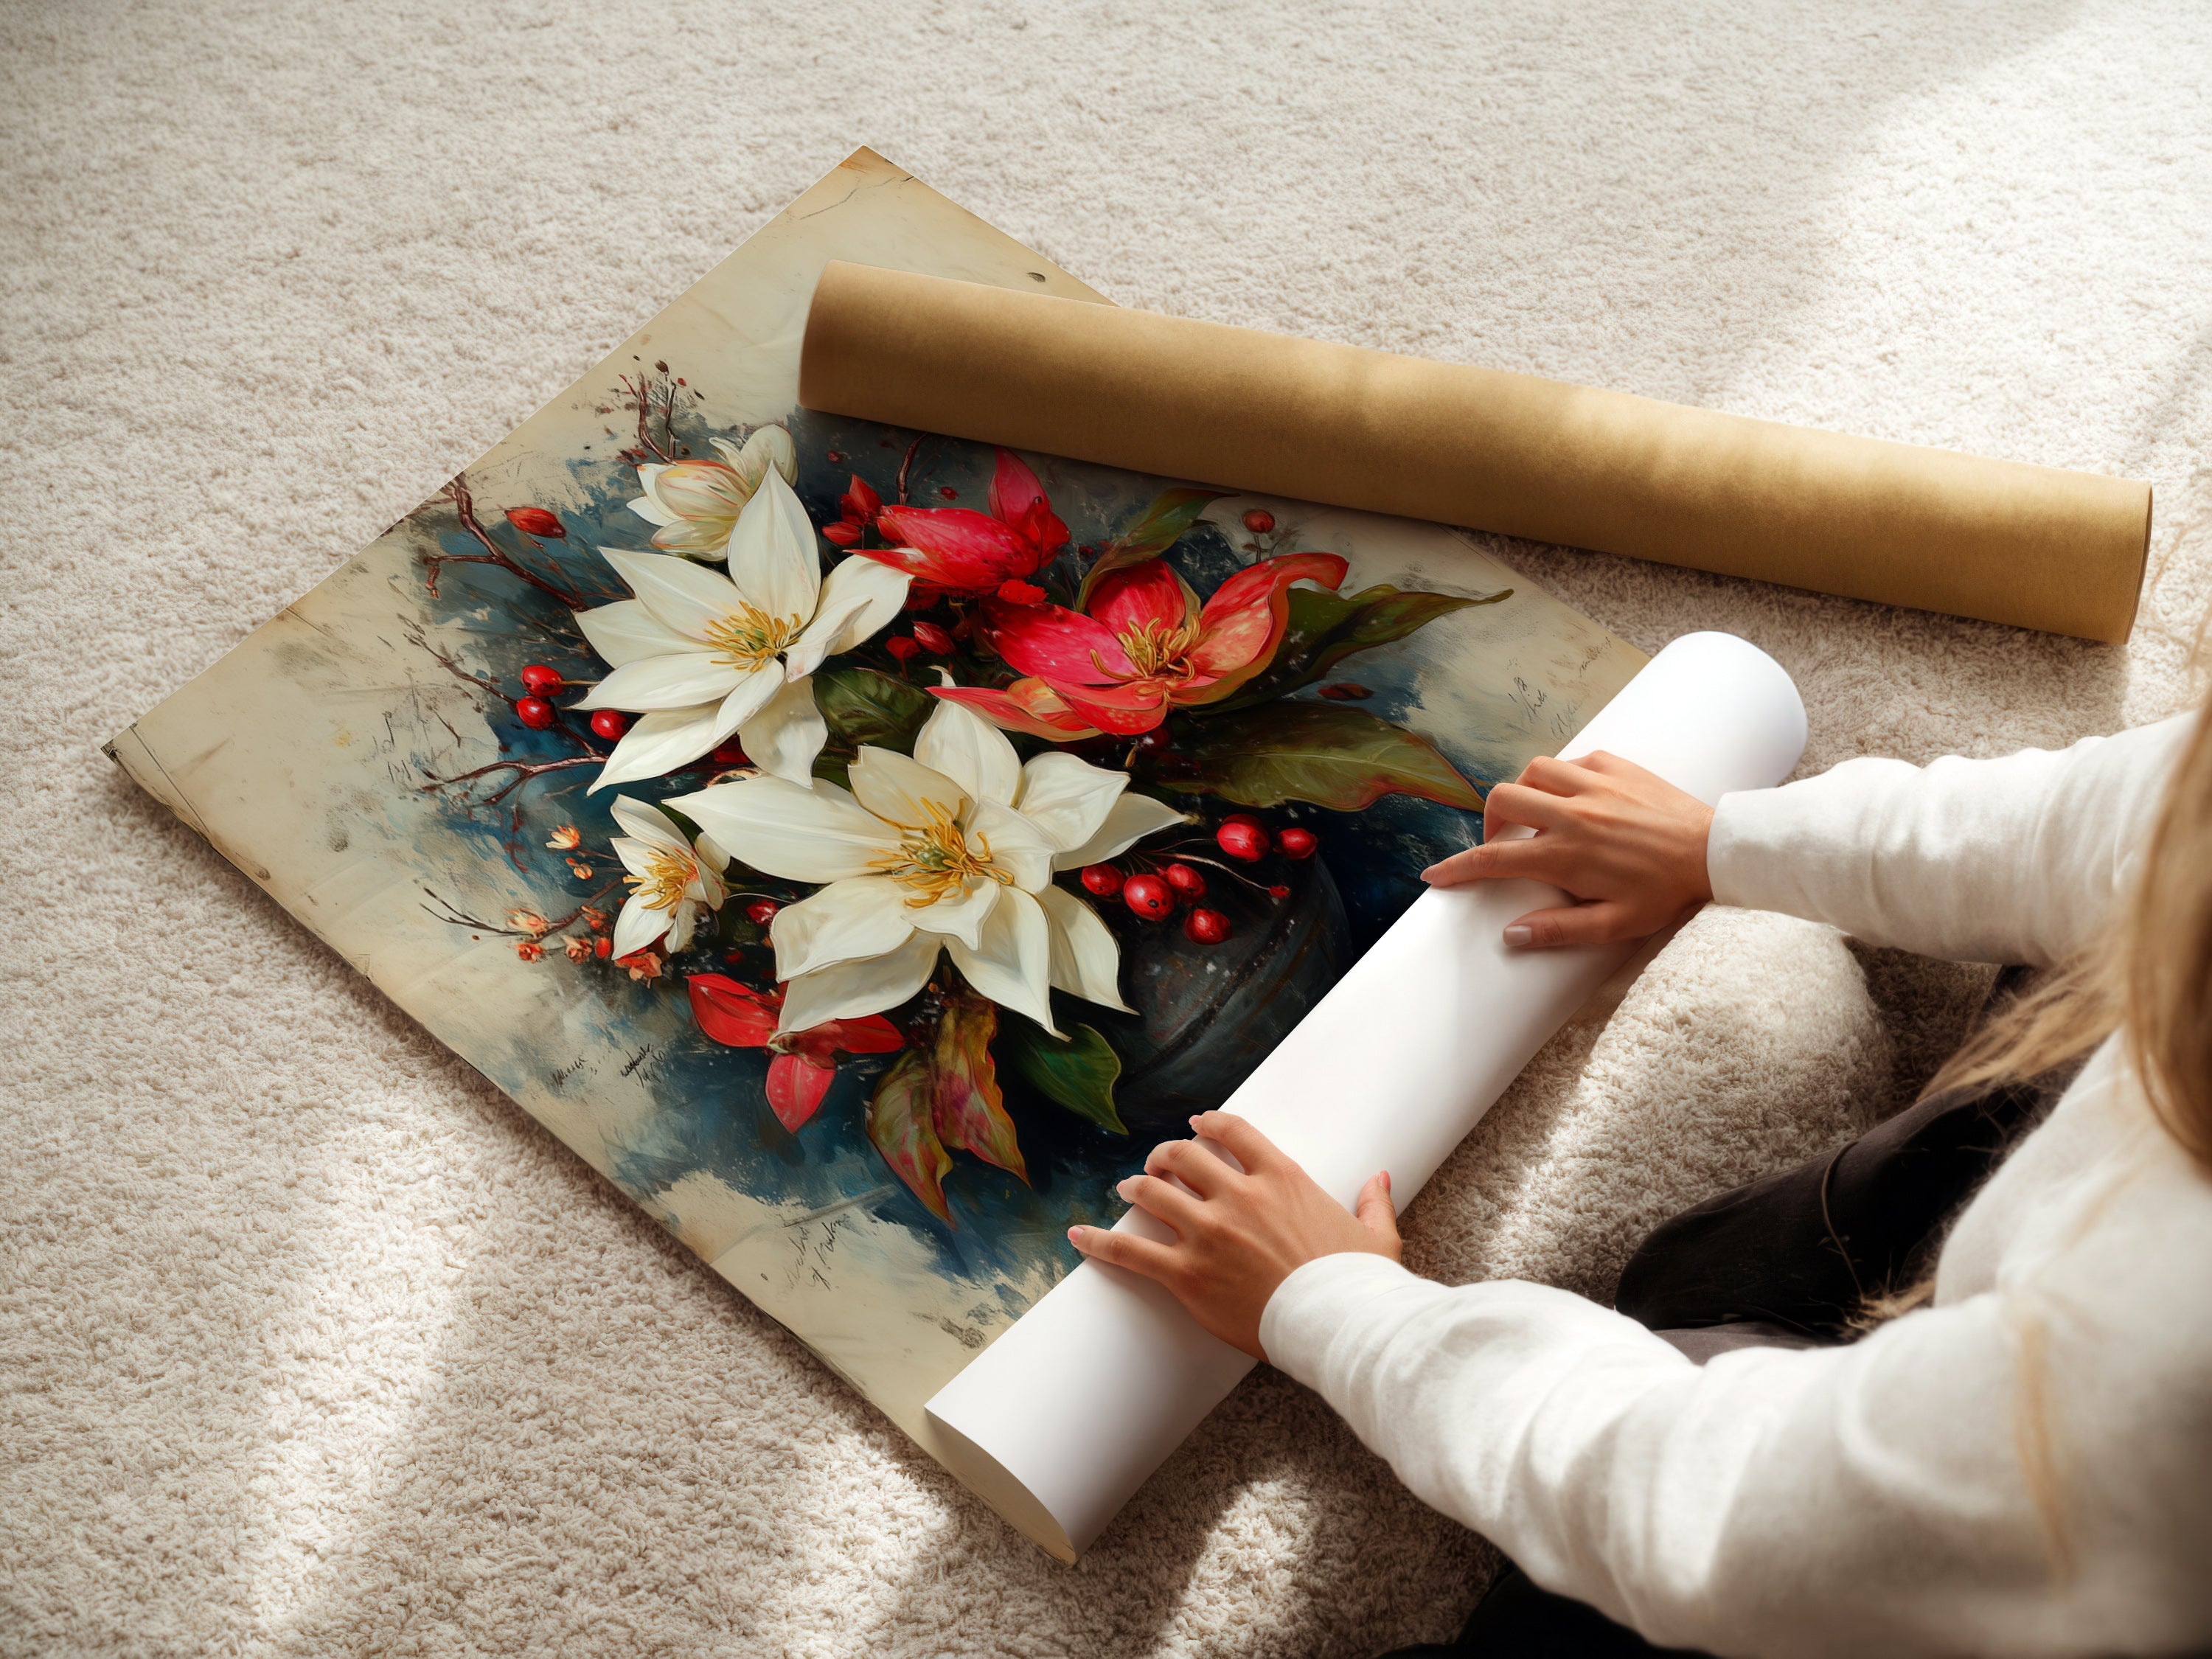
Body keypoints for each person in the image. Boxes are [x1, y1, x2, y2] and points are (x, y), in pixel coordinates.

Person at [1068, 705, 2212, 1657]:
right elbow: (2124, 818)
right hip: (2057, 1294)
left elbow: (1719, 1514)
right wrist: (1720, 842)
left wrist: (1337, 1307)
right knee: (1703, 1274)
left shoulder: (2156, 1377)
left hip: (2033, 1550)